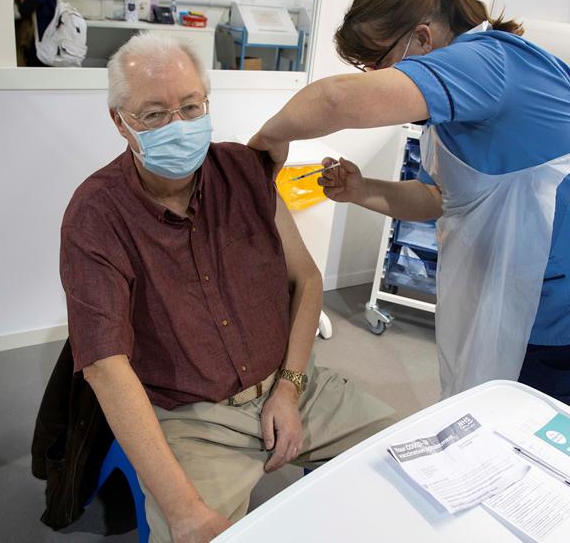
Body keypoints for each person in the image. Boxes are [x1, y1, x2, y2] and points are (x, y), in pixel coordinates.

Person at [248, 0, 570, 417]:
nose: (377, 79)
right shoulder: (457, 104)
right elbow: (437, 197)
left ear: (422, 39)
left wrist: (268, 139)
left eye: (378, 65)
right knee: (500, 404)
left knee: (538, 424)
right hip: (544, 264)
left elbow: (335, 101)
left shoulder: (489, 62)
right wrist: (361, 190)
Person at [60, 32, 395, 543]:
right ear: (120, 122)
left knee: (415, 461)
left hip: (295, 387)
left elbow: (305, 278)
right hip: (194, 421)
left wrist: (290, 386)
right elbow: (106, 368)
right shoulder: (96, 215)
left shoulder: (243, 172)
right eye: (154, 115)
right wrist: (185, 510)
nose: (179, 126)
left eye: (191, 107)